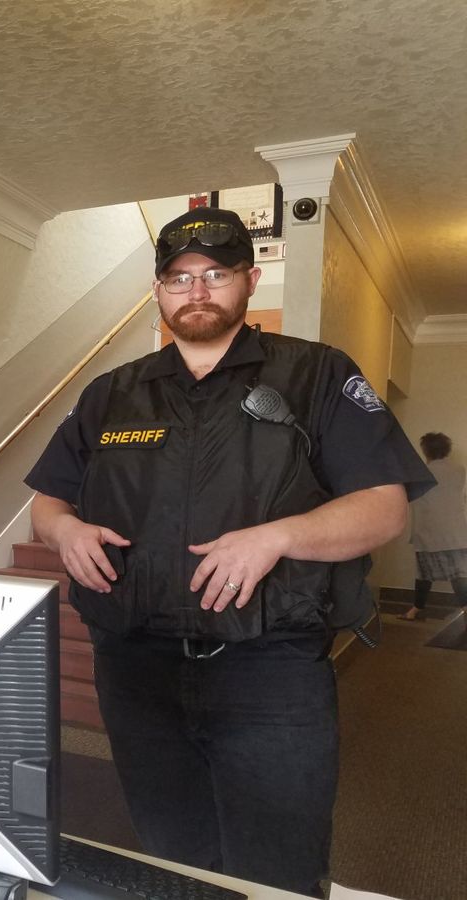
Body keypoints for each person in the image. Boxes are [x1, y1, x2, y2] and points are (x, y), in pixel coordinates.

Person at [25, 206, 433, 897]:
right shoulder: (112, 394)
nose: (197, 291)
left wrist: (278, 536)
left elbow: (383, 508)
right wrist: (65, 532)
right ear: (158, 291)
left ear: (247, 281)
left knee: (279, 863)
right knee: (171, 855)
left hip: (269, 671)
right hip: (136, 667)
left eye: (216, 273)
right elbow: (48, 501)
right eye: (179, 278)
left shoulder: (318, 375)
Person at [398, 431, 467, 619]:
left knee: (424, 572)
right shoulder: (459, 470)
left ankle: (416, 610)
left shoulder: (420, 472)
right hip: (456, 531)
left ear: (426, 450)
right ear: (447, 450)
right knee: (459, 573)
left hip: (429, 531)